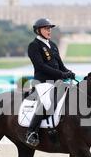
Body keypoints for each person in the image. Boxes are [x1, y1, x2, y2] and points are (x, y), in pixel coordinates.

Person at [25, 18, 75, 147]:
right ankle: (31, 132)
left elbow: (60, 65)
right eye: (46, 28)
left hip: (56, 82)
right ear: (38, 30)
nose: (49, 31)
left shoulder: (52, 45)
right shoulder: (34, 45)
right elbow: (41, 66)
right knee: (48, 102)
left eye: (50, 28)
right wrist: (61, 74)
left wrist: (68, 72)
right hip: (42, 82)